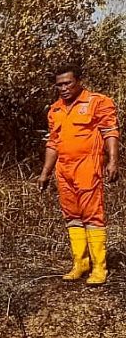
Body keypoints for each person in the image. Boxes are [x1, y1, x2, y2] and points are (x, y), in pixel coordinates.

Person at [35, 64, 119, 285]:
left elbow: (110, 131)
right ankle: (80, 263)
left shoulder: (97, 102)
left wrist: (112, 161)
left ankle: (99, 268)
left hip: (87, 166)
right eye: (59, 85)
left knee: (92, 215)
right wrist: (45, 173)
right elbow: (53, 142)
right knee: (72, 215)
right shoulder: (55, 109)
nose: (63, 88)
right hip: (64, 169)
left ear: (78, 81)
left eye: (67, 83)